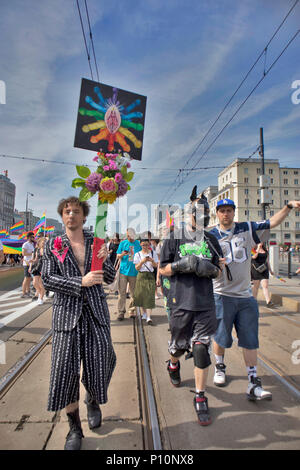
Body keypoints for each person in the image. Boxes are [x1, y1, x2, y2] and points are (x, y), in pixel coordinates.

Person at [41, 196, 116, 451]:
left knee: (101, 363)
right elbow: (47, 278)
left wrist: (106, 259)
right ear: (62, 216)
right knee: (65, 375)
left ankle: (92, 400)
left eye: (75, 211)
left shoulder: (96, 242)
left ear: (85, 216)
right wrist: (78, 283)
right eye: (66, 211)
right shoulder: (53, 244)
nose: (70, 215)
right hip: (66, 318)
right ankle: (74, 428)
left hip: (96, 314)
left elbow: (108, 277)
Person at [210, 197, 300, 400]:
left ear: (234, 212)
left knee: (250, 339)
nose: (226, 214)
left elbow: (272, 222)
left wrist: (288, 207)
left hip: (245, 296)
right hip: (221, 295)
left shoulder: (247, 228)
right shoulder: (211, 236)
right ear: (217, 213)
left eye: (229, 210)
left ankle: (252, 382)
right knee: (221, 336)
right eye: (222, 210)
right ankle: (220, 366)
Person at [160, 186, 223, 426]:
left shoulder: (212, 239)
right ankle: (173, 363)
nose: (201, 215)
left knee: (200, 349)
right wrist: (180, 266)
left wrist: (211, 270)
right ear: (189, 213)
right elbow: (163, 269)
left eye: (205, 211)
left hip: (205, 304)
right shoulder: (174, 237)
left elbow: (218, 271)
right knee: (177, 347)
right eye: (197, 211)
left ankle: (200, 397)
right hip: (180, 303)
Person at [116, 228, 141, 321]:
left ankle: (132, 311)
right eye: (127, 235)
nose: (128, 237)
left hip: (134, 272)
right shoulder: (122, 243)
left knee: (133, 293)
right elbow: (118, 256)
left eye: (129, 235)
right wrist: (122, 254)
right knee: (122, 293)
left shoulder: (138, 244)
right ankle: (121, 312)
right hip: (123, 271)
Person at [133, 237, 158, 324]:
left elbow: (155, 266)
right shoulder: (137, 254)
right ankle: (144, 312)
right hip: (141, 275)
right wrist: (142, 261)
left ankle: (148, 317)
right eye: (143, 245)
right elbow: (137, 267)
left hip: (150, 275)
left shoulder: (153, 253)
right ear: (140, 245)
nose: (145, 246)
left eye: (147, 245)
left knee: (149, 296)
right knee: (141, 296)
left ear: (149, 245)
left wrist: (152, 261)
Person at [251, 243, 274, 307]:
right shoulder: (252, 249)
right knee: (256, 287)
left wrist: (270, 270)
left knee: (265, 286)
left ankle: (268, 301)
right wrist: (258, 248)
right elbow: (254, 256)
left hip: (264, 270)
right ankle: (254, 301)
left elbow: (267, 261)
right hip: (256, 270)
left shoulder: (265, 250)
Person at [29, 236, 46, 305]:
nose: (43, 244)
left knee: (41, 284)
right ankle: (39, 292)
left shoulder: (47, 250)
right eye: (42, 242)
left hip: (44, 267)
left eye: (44, 242)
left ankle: (41, 298)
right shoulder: (38, 250)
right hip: (37, 267)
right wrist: (32, 261)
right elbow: (36, 259)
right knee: (35, 283)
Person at [21, 232, 35, 298]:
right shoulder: (25, 244)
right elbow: (23, 253)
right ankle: (23, 293)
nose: (33, 238)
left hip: (31, 263)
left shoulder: (32, 244)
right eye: (32, 237)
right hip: (26, 263)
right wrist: (32, 254)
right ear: (29, 237)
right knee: (26, 278)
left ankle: (28, 291)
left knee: (29, 278)